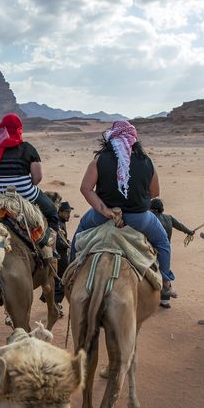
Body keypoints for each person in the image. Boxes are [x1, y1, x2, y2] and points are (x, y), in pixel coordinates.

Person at [73, 120, 177, 298]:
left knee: (78, 234)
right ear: (133, 139)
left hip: (103, 216)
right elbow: (155, 192)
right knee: (162, 243)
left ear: (112, 138)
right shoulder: (146, 161)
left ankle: (71, 277)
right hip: (140, 219)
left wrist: (105, 210)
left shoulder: (99, 160)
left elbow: (86, 188)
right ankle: (166, 281)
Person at [0, 114, 61, 239]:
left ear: (1, 129)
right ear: (19, 129)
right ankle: (52, 243)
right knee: (51, 211)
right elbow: (37, 177)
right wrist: (26, 185)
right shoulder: (28, 148)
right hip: (25, 193)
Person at [149, 198, 194, 308]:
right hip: (166, 249)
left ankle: (150, 297)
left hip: (152, 249)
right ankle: (165, 301)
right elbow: (180, 226)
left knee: (152, 271)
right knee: (165, 270)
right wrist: (189, 231)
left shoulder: (150, 218)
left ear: (152, 209)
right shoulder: (169, 218)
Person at [54, 201, 73, 309]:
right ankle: (56, 304)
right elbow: (58, 242)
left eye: (69, 212)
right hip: (60, 258)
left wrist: (67, 242)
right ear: (60, 212)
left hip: (61, 256)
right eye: (66, 212)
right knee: (63, 280)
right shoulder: (58, 224)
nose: (68, 215)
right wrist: (67, 245)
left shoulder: (61, 221)